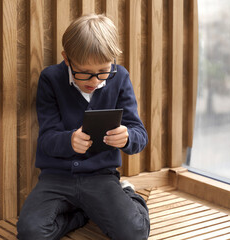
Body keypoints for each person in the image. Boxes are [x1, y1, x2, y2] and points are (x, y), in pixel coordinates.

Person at [16, 14, 150, 240]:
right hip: (56, 178)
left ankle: (128, 193)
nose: (95, 81)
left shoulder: (120, 78)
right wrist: (69, 141)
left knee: (134, 233)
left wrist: (127, 138)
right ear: (67, 59)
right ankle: (82, 214)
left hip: (101, 177)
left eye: (103, 71)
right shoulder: (51, 79)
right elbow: (47, 139)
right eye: (85, 73)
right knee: (30, 232)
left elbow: (139, 134)